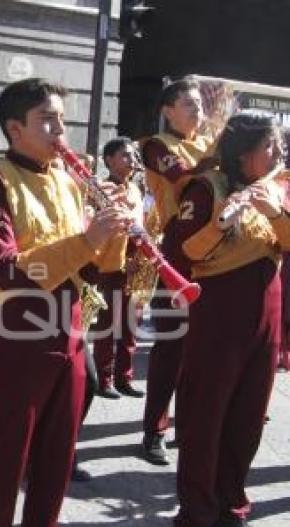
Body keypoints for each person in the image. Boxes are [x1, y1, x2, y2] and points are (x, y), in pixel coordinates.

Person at [0, 78, 129, 527]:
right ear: (15, 128)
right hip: (21, 332)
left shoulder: (65, 176)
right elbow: (8, 269)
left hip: (71, 326)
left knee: (57, 462)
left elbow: (95, 267)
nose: (61, 129)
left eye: (61, 117)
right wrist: (86, 240)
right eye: (47, 119)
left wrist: (117, 229)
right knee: (6, 464)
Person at [170, 111, 286, 527]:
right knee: (206, 416)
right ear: (243, 152)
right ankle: (195, 517)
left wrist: (275, 212)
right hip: (219, 313)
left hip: (266, 313)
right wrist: (223, 220)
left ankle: (230, 510)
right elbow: (179, 252)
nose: (277, 155)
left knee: (247, 418)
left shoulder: (276, 187)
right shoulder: (206, 189)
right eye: (270, 147)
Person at [140, 77, 218, 466]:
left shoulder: (208, 144)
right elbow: (187, 182)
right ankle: (154, 429)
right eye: (188, 103)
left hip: (217, 250)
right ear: (167, 110)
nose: (197, 109)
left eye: (199, 103)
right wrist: (223, 151)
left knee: (203, 347)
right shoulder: (158, 146)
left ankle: (188, 426)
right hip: (176, 248)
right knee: (171, 345)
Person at [91, 137, 145, 399]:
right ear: (109, 160)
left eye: (134, 155)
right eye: (125, 155)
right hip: (110, 265)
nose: (132, 160)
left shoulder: (136, 189)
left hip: (135, 267)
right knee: (107, 325)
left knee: (131, 326)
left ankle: (125, 377)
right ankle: (104, 378)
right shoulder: (101, 188)